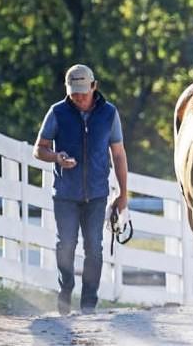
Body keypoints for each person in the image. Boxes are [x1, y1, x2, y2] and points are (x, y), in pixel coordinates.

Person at [33, 64, 129, 316]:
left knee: (94, 248)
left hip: (97, 193)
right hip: (65, 192)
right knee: (65, 244)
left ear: (94, 87)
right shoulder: (57, 112)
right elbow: (39, 148)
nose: (78, 97)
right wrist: (56, 157)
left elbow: (118, 155)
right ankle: (66, 291)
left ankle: (88, 303)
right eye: (74, 92)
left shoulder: (109, 114)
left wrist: (123, 194)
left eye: (83, 92)